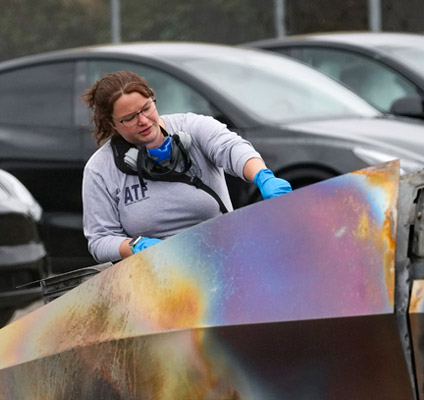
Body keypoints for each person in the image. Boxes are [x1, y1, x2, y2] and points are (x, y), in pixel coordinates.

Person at [81, 71, 292, 263]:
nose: (143, 121)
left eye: (146, 108)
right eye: (129, 118)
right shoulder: (99, 170)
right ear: (111, 124)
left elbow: (231, 148)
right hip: (156, 273)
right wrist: (135, 246)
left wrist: (263, 176)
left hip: (223, 257)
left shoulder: (193, 126)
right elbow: (100, 240)